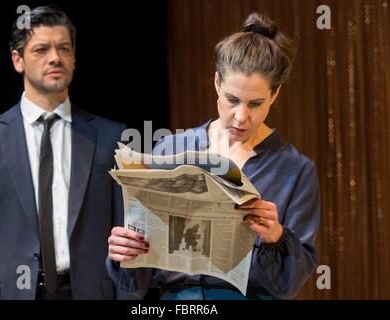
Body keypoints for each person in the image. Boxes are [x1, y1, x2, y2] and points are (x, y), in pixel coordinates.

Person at [106, 12, 320, 300]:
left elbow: (290, 285)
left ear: (275, 94)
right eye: (232, 100)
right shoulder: (171, 149)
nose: (241, 117)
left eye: (256, 104)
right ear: (217, 82)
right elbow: (138, 280)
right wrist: (125, 252)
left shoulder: (295, 169)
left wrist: (276, 238)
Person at [0, 6, 129, 300]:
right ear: (17, 60)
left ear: (74, 59)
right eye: (41, 49)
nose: (55, 57)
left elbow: (126, 234)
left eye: (64, 48)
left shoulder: (112, 137)